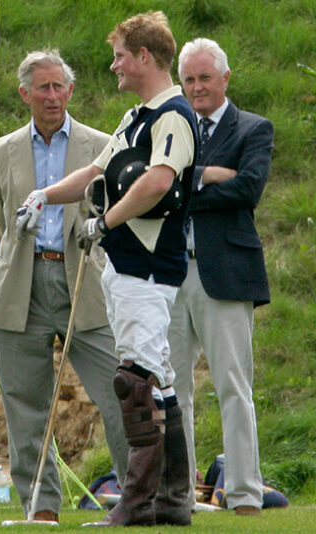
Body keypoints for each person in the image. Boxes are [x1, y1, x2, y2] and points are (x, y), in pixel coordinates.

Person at [16, 12, 198, 527]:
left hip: (148, 265)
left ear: (144, 57)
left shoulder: (173, 117)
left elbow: (159, 182)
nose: (114, 64)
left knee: (135, 380)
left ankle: (138, 504)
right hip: (125, 265)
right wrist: (45, 196)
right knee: (155, 378)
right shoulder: (135, 116)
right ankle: (171, 501)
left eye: (120, 54)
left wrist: (105, 221)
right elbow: (96, 172)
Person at [0, 49, 128, 524]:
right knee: (24, 405)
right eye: (43, 87)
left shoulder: (102, 145)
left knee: (118, 392)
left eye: (60, 86)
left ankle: (139, 498)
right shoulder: (1, 151)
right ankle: (40, 507)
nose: (53, 95)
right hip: (22, 283)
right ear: (25, 94)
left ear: (71, 91)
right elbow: (4, 220)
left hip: (85, 280)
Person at [168, 37, 273, 516]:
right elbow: (154, 189)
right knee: (174, 390)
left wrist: (190, 182)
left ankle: (246, 495)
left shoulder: (253, 128)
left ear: (225, 78)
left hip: (226, 274)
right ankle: (182, 494)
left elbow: (247, 189)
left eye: (204, 77)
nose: (196, 87)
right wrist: (211, 175)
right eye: (188, 79)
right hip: (170, 273)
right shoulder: (172, 129)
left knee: (234, 387)